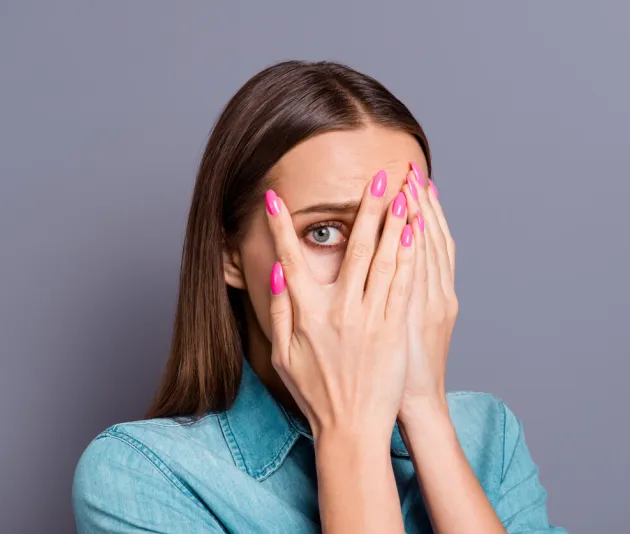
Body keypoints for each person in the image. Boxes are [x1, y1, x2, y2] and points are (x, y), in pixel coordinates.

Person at [72, 60, 566, 534]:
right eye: (325, 232)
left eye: (401, 227)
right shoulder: (146, 476)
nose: (374, 266)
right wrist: (350, 432)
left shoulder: (488, 437)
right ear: (231, 255)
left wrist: (426, 415)